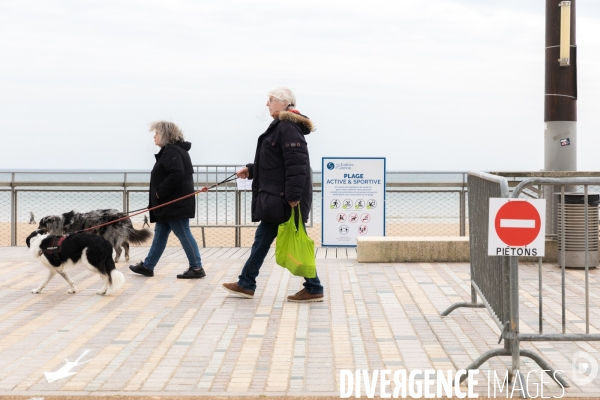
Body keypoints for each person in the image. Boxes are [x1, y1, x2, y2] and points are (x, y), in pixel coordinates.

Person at [222, 87, 324, 303]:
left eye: (271, 100)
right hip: (278, 198)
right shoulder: (282, 127)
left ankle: (313, 287)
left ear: (285, 103)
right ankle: (246, 283)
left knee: (292, 241)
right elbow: (274, 163)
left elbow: (297, 166)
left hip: (285, 200)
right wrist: (252, 169)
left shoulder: (287, 128)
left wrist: (294, 197)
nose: (267, 104)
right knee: (265, 240)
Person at [129, 121, 207, 279]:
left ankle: (197, 268)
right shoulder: (170, 151)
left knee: (183, 232)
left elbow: (176, 174)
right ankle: (148, 266)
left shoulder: (172, 151)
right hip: (169, 204)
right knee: (160, 234)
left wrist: (159, 193)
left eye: (156, 133)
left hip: (174, 204)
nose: (154, 136)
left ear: (165, 135)